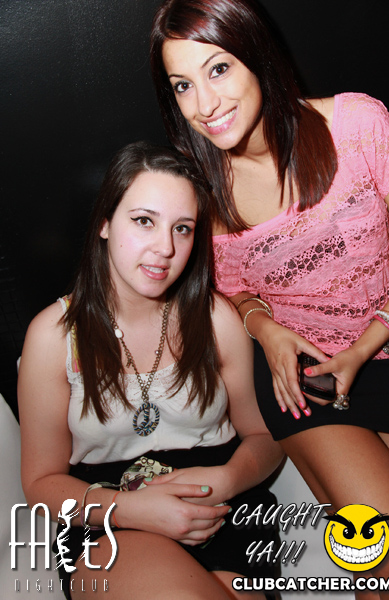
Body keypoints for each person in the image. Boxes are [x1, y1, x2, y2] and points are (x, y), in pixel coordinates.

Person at [150, 0, 389, 593]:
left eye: (218, 69)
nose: (204, 104)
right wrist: (264, 328)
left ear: (257, 56)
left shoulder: (357, 125)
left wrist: (368, 343)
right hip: (304, 384)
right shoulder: (200, 188)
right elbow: (233, 290)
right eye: (183, 85)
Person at [18, 141, 283, 600]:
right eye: (144, 221)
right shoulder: (54, 335)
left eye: (183, 228)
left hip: (223, 511)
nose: (165, 248)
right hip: (106, 521)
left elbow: (266, 437)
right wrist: (130, 510)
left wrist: (226, 480)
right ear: (105, 223)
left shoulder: (217, 319)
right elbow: (40, 485)